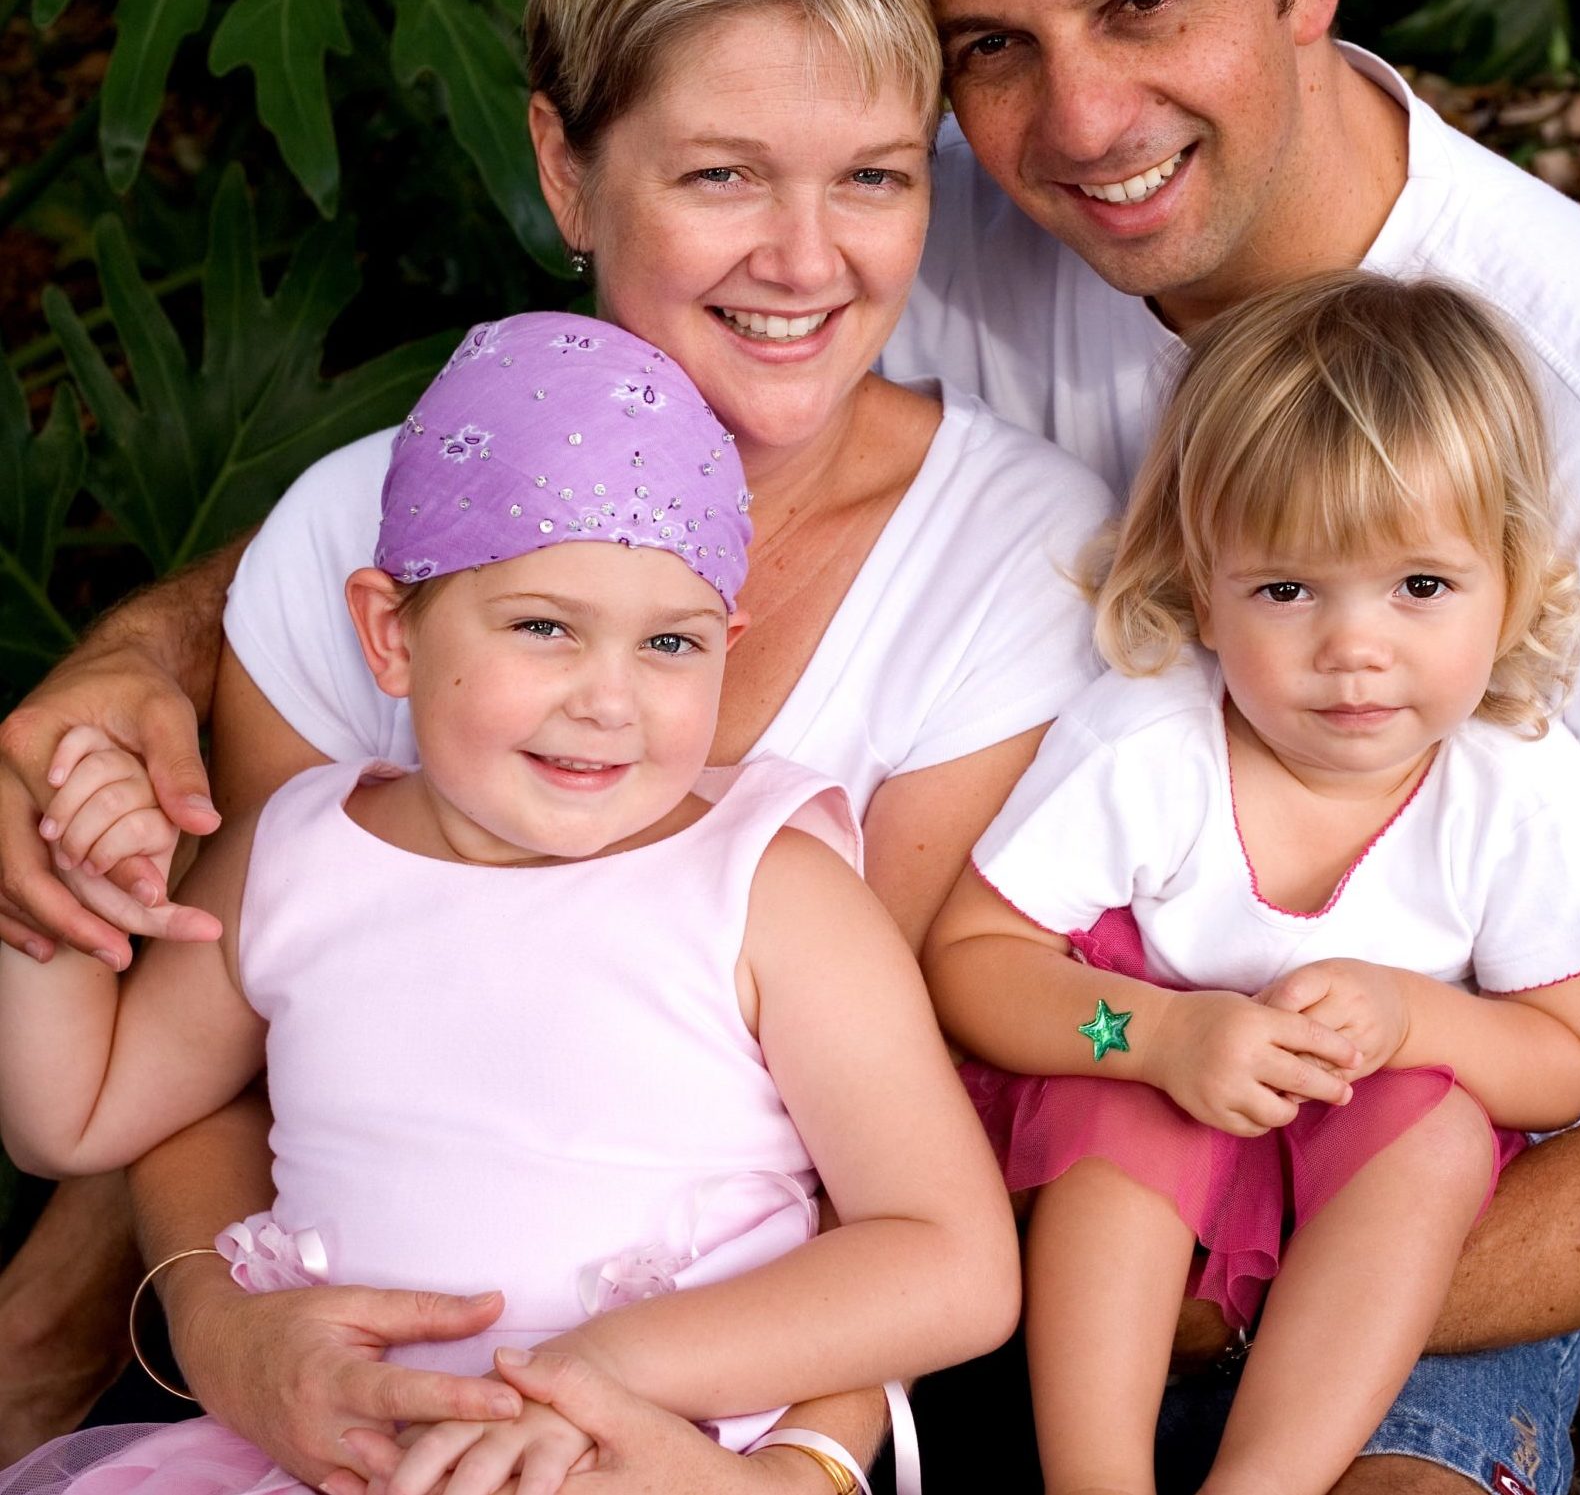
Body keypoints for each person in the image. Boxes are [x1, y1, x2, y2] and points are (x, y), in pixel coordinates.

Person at [0, 0, 1110, 1491]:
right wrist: (249, 1352)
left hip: (709, 1426)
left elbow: (845, 1160)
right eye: (720, 172)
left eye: (874, 176)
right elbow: (223, 1064)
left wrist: (775, 1467)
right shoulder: (346, 534)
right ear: (564, 163)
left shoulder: (1013, 564)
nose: (807, 261)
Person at [845, 0, 1580, 1487]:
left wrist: (1248, 1275)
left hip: (1439, 1242)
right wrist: (163, 656)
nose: (1080, 119)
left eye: (1142, 2)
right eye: (991, 45)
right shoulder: (912, 232)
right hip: (1058, 1155)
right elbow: (594, 456)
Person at [0, 310, 1020, 1495]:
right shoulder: (298, 855)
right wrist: (75, 880)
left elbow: (951, 1261)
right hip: (333, 1460)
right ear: (391, 632)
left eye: (670, 644)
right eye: (545, 627)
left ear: (725, 643)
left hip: (654, 1459)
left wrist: (604, 1368)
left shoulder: (770, 891)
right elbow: (72, 1118)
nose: (609, 698)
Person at [925, 275, 1580, 1495]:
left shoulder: (1518, 782)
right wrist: (1154, 1031)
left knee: (1438, 1123)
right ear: (1203, 585)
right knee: (1120, 1104)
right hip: (1155, 1119)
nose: (1355, 646)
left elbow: (1565, 1055)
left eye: (1420, 585)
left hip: (1368, 1174)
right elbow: (977, 960)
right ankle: (1095, 1477)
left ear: (1510, 581)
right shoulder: (1150, 742)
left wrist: (1412, 1016)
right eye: (1287, 588)